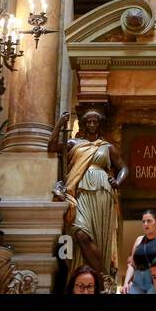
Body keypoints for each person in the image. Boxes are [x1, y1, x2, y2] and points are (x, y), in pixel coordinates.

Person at [50, 109, 126, 290]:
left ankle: (98, 284)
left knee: (99, 238)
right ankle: (104, 277)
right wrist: (59, 125)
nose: (92, 125)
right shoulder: (74, 143)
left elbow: (123, 168)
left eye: (95, 122)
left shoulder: (107, 147)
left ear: (99, 125)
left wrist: (118, 181)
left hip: (102, 193)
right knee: (80, 233)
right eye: (88, 122)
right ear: (83, 125)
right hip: (80, 191)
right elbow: (52, 147)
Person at [121, 210, 156, 294]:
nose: (145, 224)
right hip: (138, 281)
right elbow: (132, 265)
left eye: (149, 221)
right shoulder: (139, 240)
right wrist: (125, 283)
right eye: (143, 222)